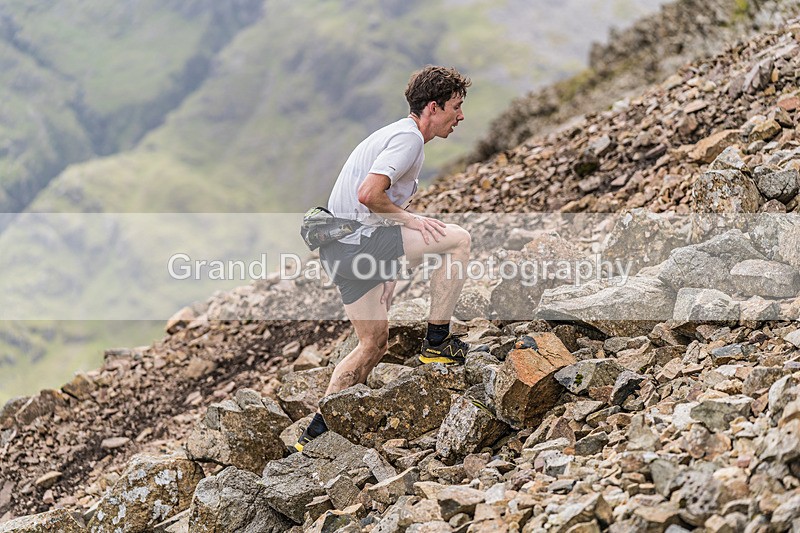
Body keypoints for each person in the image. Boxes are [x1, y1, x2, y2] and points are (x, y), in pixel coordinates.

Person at [295, 66, 473, 452]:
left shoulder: (396, 134)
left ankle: (314, 437)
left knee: (372, 343)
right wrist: (413, 220)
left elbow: (369, 211)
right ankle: (437, 343)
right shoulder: (409, 139)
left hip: (341, 250)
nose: (461, 116)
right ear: (433, 107)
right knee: (458, 240)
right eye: (456, 107)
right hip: (357, 245)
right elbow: (369, 194)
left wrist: (386, 269)